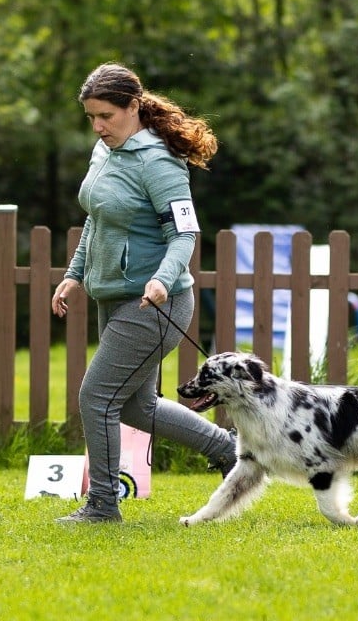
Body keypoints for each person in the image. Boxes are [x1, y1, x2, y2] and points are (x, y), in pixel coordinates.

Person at [51, 62, 236, 523]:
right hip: (113, 297)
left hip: (158, 303)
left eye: (106, 116)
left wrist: (162, 278)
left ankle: (102, 505)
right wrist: (74, 273)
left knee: (96, 398)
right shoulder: (104, 150)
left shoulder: (159, 161)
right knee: (135, 405)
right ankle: (229, 451)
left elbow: (185, 235)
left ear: (133, 106)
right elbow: (97, 216)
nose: (97, 126)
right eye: (91, 117)